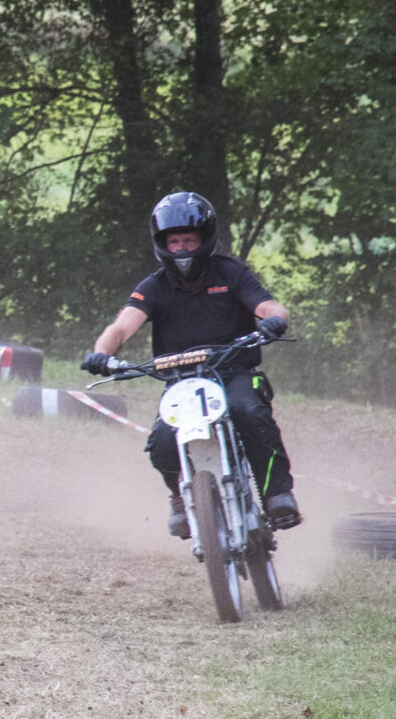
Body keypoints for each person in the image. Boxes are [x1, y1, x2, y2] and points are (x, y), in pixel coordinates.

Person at [79, 191, 300, 536]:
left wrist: (274, 321)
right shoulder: (154, 286)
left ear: (204, 239)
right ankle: (180, 497)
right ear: (162, 243)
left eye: (189, 240)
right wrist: (102, 354)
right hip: (181, 381)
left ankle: (277, 495)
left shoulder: (231, 273)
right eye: (174, 241)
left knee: (249, 412)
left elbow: (269, 306)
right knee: (162, 442)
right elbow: (121, 327)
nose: (181, 248)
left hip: (234, 372)